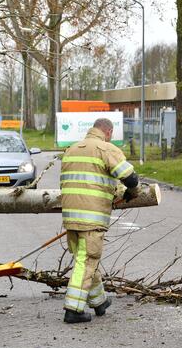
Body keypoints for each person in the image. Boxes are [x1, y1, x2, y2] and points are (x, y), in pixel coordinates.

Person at [60, 118, 140, 323]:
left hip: (70, 216)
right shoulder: (105, 149)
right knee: (87, 261)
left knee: (84, 258)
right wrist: (132, 193)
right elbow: (130, 178)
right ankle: (73, 309)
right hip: (92, 217)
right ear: (109, 131)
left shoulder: (71, 149)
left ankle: (99, 301)